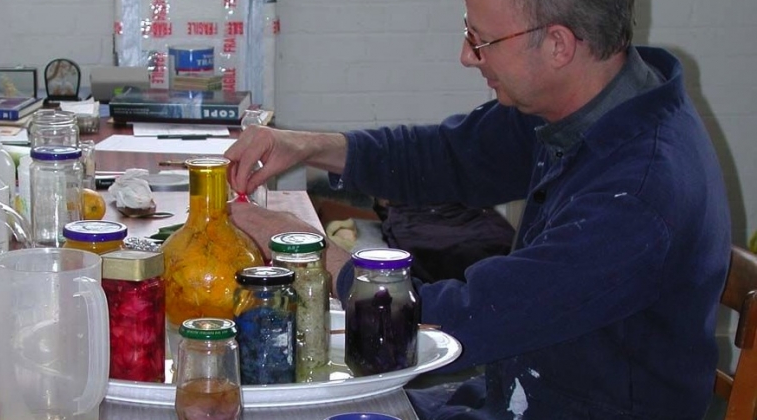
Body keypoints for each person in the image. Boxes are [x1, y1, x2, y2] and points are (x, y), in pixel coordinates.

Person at [225, 0, 731, 418]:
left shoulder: (640, 195)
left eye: (481, 40)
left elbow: (458, 323)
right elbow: (450, 155)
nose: (467, 57)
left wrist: (310, 254)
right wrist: (309, 146)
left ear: (558, 45)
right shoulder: (586, 105)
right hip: (508, 396)